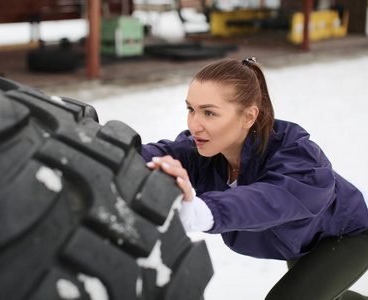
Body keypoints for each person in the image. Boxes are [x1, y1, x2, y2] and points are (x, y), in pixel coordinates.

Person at [142, 57, 368, 299]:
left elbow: (273, 197)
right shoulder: (205, 150)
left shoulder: (299, 154)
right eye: (191, 109)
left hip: (345, 236)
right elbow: (161, 152)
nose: (195, 125)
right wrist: (107, 147)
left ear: (248, 117)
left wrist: (203, 210)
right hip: (300, 242)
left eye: (209, 113)